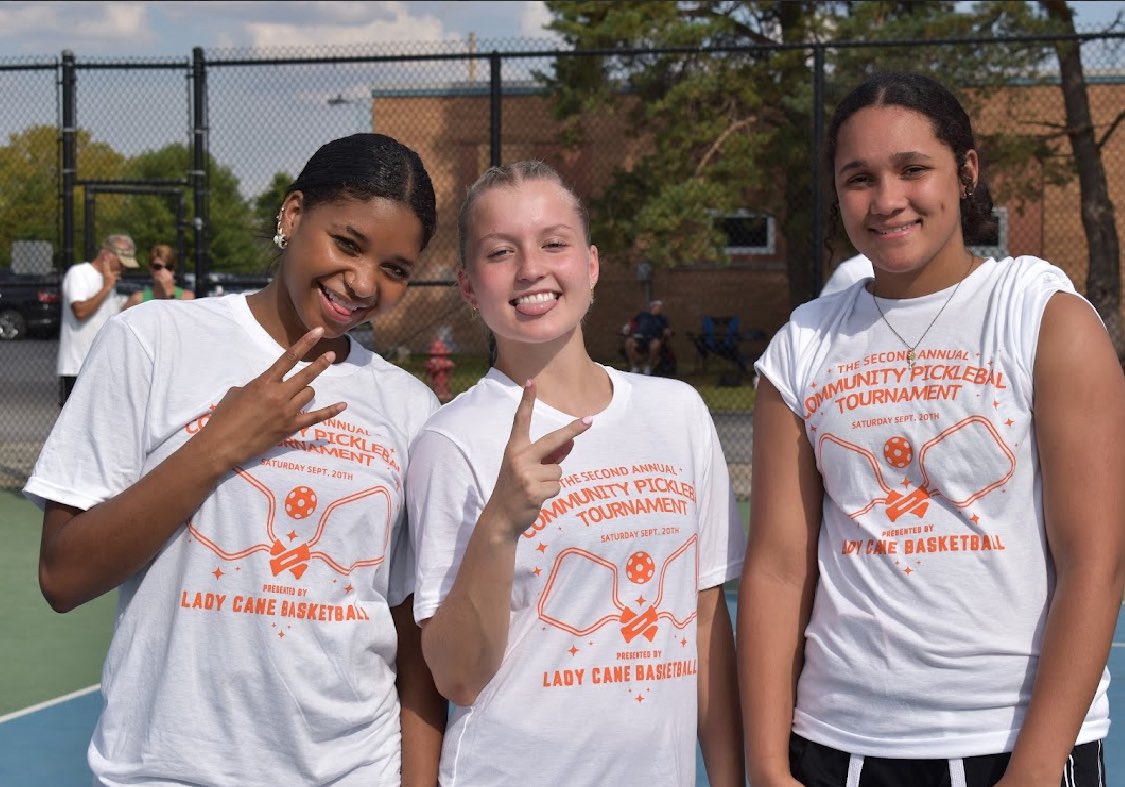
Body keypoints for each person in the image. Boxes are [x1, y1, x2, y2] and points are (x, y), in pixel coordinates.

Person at [739, 71, 1125, 787]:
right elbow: (776, 567)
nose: (886, 200)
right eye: (858, 178)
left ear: (966, 170)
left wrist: (1037, 764)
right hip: (836, 745)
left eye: (912, 169)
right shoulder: (802, 345)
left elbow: (1094, 560)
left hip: (1009, 743)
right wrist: (766, 764)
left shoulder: (1041, 316)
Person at [24, 133, 447, 786]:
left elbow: (410, 643)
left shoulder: (409, 406)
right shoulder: (152, 342)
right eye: (347, 242)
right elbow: (63, 573)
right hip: (167, 770)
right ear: (292, 215)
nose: (363, 282)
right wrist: (220, 444)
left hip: (352, 769)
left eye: (394, 268)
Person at [406, 161, 746, 786]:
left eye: (553, 243)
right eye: (501, 252)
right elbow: (456, 675)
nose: (531, 268)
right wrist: (500, 525)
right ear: (466, 285)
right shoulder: (451, 440)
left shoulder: (677, 413)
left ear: (590, 264)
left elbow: (702, 625)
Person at [57, 233, 137, 406]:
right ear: (108, 255)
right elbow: (80, 311)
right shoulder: (79, 273)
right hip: (77, 369)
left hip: (103, 368)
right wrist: (107, 286)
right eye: (122, 264)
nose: (124, 269)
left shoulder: (108, 282)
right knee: (73, 429)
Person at [122, 243, 196, 309]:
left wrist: (169, 293)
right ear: (150, 269)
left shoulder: (187, 298)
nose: (163, 271)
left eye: (168, 267)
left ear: (173, 271)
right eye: (158, 267)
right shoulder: (138, 299)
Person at [623, 297, 672, 374]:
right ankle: (634, 366)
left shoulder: (662, 318)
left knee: (656, 345)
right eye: (657, 307)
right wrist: (627, 327)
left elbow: (666, 329)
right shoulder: (643, 315)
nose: (659, 309)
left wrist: (667, 332)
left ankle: (648, 366)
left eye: (660, 307)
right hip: (639, 337)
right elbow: (631, 322)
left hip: (653, 338)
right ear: (652, 307)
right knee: (629, 342)